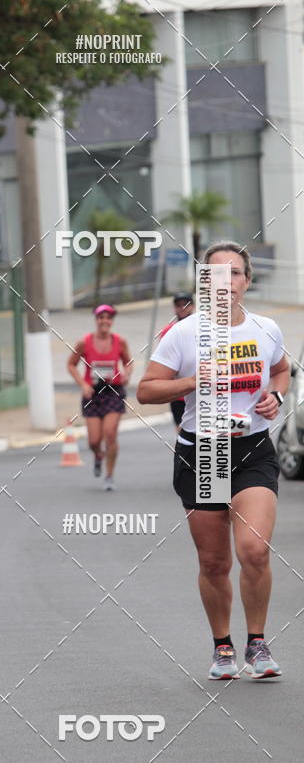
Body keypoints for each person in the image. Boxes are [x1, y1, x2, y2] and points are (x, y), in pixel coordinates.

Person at [137, 242, 289, 680]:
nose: (227, 282)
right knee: (214, 562)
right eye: (216, 274)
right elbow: (146, 391)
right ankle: (223, 646)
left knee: (254, 550)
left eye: (235, 273)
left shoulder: (266, 329)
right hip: (203, 454)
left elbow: (281, 370)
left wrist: (274, 396)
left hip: (252, 450)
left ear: (247, 280)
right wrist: (189, 381)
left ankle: (257, 643)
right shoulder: (184, 334)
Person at [67, 303, 131, 489]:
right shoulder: (84, 342)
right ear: (96, 320)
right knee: (94, 441)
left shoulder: (120, 341)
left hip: (113, 391)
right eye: (101, 317)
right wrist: (83, 384)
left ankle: (109, 476)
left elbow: (128, 362)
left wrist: (127, 373)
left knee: (110, 434)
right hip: (93, 392)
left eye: (108, 318)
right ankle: (98, 454)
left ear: (112, 321)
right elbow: (71, 364)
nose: (105, 321)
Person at [158, 292, 195, 431]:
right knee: (182, 432)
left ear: (193, 306)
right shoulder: (168, 331)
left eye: (185, 304)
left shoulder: (205, 329)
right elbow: (163, 361)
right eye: (178, 305)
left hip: (201, 391)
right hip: (178, 392)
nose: (182, 308)